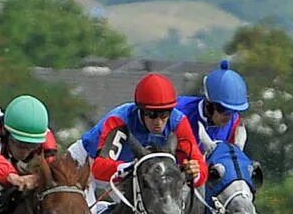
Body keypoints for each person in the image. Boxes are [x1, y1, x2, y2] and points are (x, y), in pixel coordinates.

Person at [76, 73, 208, 190]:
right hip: (85, 163)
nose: (158, 122)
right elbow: (99, 169)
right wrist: (131, 167)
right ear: (140, 110)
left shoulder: (178, 122)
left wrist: (194, 174)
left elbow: (200, 166)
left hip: (123, 174)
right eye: (151, 114)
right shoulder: (120, 120)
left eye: (164, 114)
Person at [175, 59, 249, 148]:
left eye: (234, 111)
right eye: (223, 109)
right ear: (208, 103)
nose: (228, 116)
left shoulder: (234, 124)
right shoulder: (178, 110)